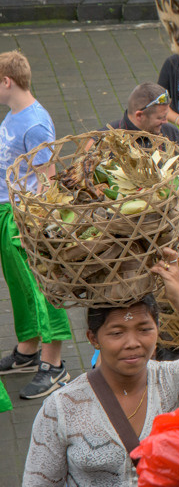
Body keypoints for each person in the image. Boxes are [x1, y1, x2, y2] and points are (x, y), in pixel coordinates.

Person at [23, 263, 179, 487]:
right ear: (93, 338)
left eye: (144, 329)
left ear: (158, 328)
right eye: (117, 333)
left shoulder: (175, 379)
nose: (133, 343)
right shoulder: (62, 408)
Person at [0, 50, 72, 402]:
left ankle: (54, 364)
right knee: (20, 287)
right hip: (7, 212)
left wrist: (44, 226)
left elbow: (48, 179)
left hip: (26, 218)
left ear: (7, 81)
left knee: (44, 287)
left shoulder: (35, 123)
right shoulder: (14, 114)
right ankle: (29, 349)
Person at [106, 83, 179, 148]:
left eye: (166, 116)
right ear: (139, 115)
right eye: (160, 118)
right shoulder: (106, 141)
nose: (166, 122)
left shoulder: (171, 133)